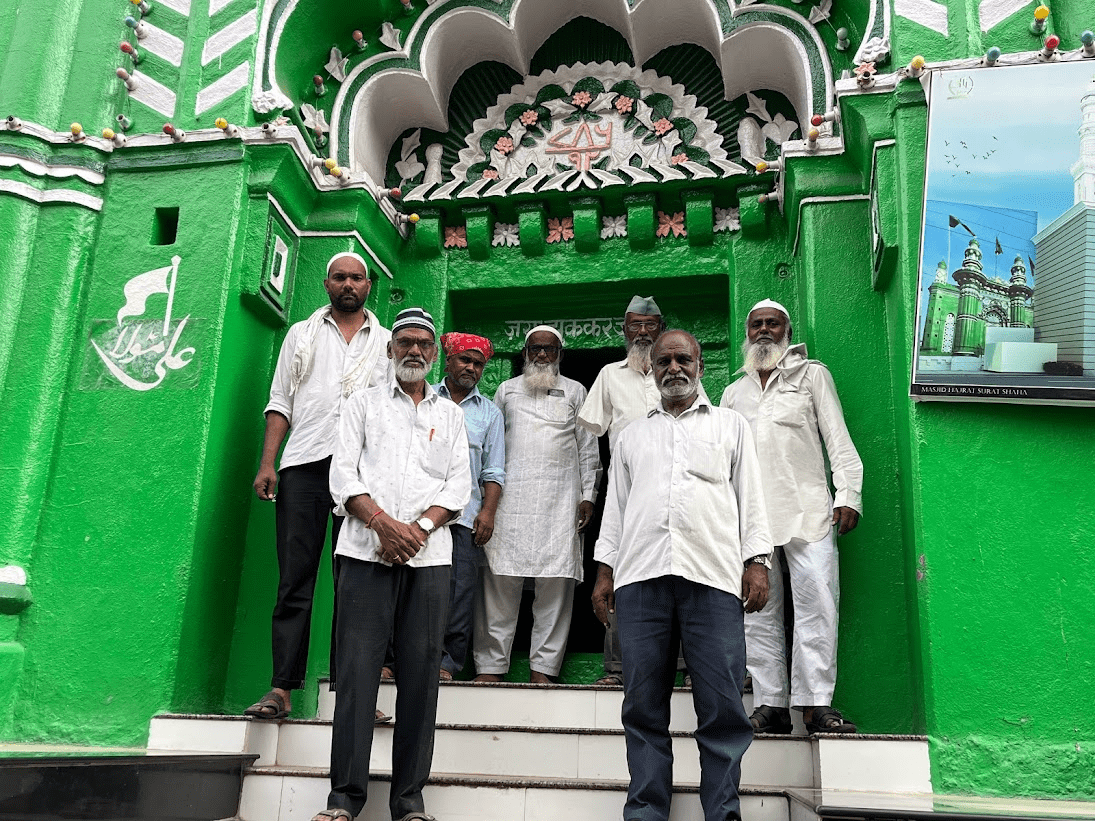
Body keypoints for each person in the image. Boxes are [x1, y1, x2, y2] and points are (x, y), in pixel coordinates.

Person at [592, 330, 773, 821]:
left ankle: (723, 813)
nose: (673, 368)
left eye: (683, 359)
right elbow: (616, 510)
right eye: (664, 361)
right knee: (642, 706)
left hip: (712, 576)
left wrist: (758, 561)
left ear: (700, 365)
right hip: (641, 578)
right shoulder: (632, 436)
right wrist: (605, 571)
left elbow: (752, 497)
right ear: (651, 370)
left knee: (722, 706)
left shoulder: (731, 426)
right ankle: (646, 811)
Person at [318, 307, 471, 821]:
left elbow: (458, 487)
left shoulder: (451, 416)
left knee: (422, 680)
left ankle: (408, 801)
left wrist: (417, 531)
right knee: (356, 677)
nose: (414, 350)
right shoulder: (361, 405)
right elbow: (343, 476)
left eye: (424, 343)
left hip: (429, 559)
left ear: (434, 354)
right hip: (364, 553)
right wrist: (383, 525)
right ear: (389, 349)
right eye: (405, 342)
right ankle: (344, 799)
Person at [246, 251, 391, 722]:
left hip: (359, 476)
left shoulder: (386, 343)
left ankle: (353, 695)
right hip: (304, 467)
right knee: (295, 581)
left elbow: (390, 414)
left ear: (368, 286)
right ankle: (282, 689)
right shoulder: (301, 334)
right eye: (340, 277)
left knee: (356, 584)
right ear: (327, 284)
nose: (349, 284)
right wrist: (268, 462)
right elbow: (280, 401)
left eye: (357, 278)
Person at [719, 299, 863, 735]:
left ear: (787, 331)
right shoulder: (733, 393)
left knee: (818, 602)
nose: (764, 330)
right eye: (756, 324)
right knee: (757, 610)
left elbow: (837, 437)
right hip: (752, 517)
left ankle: (816, 704)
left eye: (773, 323)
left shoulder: (811, 375)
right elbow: (724, 460)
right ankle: (771, 704)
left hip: (808, 509)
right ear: (747, 333)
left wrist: (849, 493)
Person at [578, 295, 705, 687]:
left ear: (661, 328)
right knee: (620, 573)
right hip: (628, 490)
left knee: (681, 569)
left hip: (677, 488)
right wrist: (588, 491)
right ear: (625, 330)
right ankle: (618, 669)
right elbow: (591, 432)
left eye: (651, 325)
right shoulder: (610, 375)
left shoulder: (679, 374)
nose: (644, 332)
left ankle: (688, 668)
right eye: (636, 325)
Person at [472, 325, 601, 684]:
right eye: (535, 349)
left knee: (555, 585)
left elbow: (588, 449)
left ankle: (543, 669)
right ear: (525, 354)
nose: (542, 355)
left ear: (560, 354)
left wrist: (588, 496)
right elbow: (491, 443)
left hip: (560, 500)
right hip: (509, 500)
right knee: (499, 581)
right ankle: (490, 667)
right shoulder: (506, 390)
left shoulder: (576, 391)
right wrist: (485, 500)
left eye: (549, 349)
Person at [434, 332, 506, 681]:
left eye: (478, 364)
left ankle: (447, 663)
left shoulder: (490, 414)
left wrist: (487, 512)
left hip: (464, 516)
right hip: (419, 513)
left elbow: (493, 470)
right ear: (448, 360)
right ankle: (395, 659)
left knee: (459, 591)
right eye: (465, 360)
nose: (471, 368)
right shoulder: (425, 397)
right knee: (411, 586)